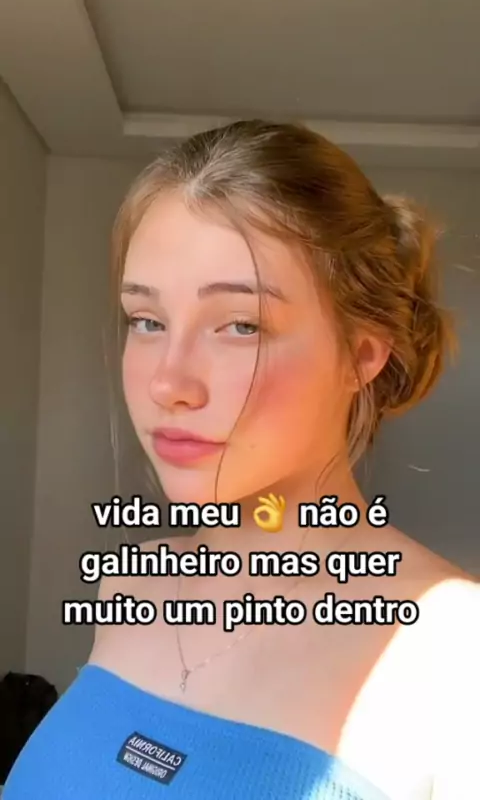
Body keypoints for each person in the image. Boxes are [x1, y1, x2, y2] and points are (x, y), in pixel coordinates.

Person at [3, 120, 479, 800]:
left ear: (362, 355)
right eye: (147, 321)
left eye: (240, 325)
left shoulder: (454, 652)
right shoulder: (130, 589)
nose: (168, 383)